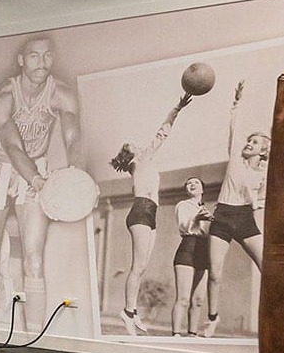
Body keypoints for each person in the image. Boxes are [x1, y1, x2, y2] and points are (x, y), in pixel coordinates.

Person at [0, 35, 81, 330]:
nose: (42, 62)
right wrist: (37, 180)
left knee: (34, 259)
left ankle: (35, 336)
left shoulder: (62, 93)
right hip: (0, 168)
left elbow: (73, 137)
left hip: (37, 169)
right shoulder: (4, 95)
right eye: (34, 56)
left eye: (48, 55)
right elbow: (13, 147)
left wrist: (76, 174)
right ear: (22, 60)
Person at [110, 93, 193, 335]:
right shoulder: (141, 159)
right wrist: (176, 108)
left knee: (142, 266)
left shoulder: (142, 163)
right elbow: (162, 133)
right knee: (137, 266)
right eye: (132, 145)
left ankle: (132, 313)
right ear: (130, 154)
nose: (138, 145)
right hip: (141, 211)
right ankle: (126, 313)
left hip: (150, 212)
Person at [202, 81, 268, 338]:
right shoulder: (235, 160)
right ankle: (212, 319)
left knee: (269, 269)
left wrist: (257, 202)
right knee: (215, 273)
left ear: (263, 152)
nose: (249, 143)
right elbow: (235, 128)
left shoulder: (262, 174)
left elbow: (259, 202)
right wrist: (237, 103)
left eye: (255, 142)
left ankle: (273, 318)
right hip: (223, 216)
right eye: (249, 140)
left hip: (245, 219)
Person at [170, 176, 213, 337]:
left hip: (203, 251)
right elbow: (183, 226)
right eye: (188, 183)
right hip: (187, 249)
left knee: (198, 300)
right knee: (183, 298)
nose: (192, 184)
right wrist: (197, 219)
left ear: (202, 189)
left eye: (196, 182)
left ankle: (192, 335)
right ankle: (175, 335)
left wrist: (212, 221)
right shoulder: (183, 205)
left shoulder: (206, 210)